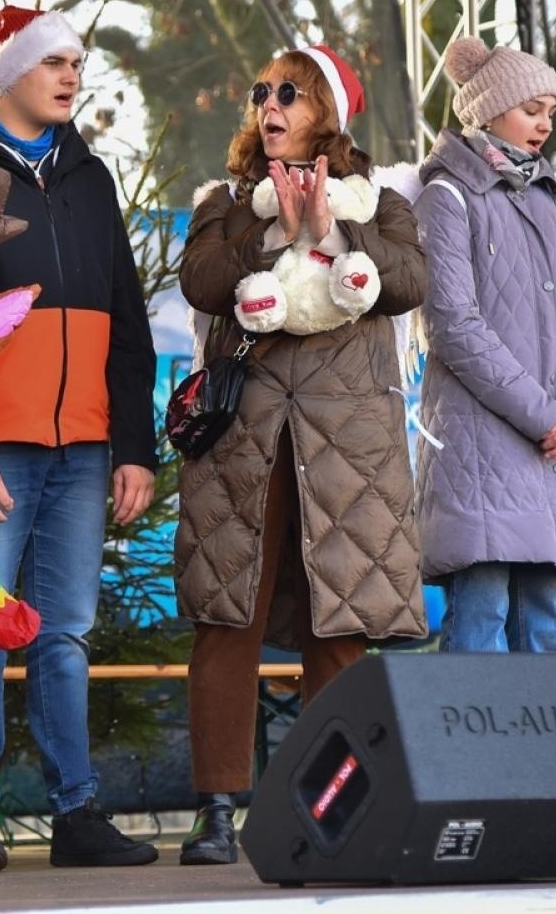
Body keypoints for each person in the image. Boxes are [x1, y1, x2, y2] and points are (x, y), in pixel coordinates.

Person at [0, 6, 159, 872]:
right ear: (9, 70)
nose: (71, 74)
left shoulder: (90, 176)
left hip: (84, 448)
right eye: (53, 59)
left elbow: (125, 316)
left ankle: (76, 812)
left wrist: (133, 445)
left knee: (64, 633)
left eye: (77, 61)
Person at [172, 45, 427, 865]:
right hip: (242, 440)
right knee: (227, 618)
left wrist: (330, 230)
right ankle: (217, 811)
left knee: (338, 624)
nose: (269, 105)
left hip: (347, 448)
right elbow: (204, 282)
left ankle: (336, 809)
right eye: (260, 92)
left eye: (290, 92)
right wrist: (271, 234)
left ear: (328, 111)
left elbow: (412, 281)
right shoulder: (224, 203)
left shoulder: (381, 201)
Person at [414, 36, 556, 653]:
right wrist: (546, 414)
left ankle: (545, 757)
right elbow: (451, 322)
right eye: (533, 109)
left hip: (554, 446)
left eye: (551, 111)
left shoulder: (551, 203)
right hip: (483, 445)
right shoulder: (446, 195)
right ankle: (467, 756)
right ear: (487, 108)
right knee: (481, 621)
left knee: (544, 628)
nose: (545, 125)